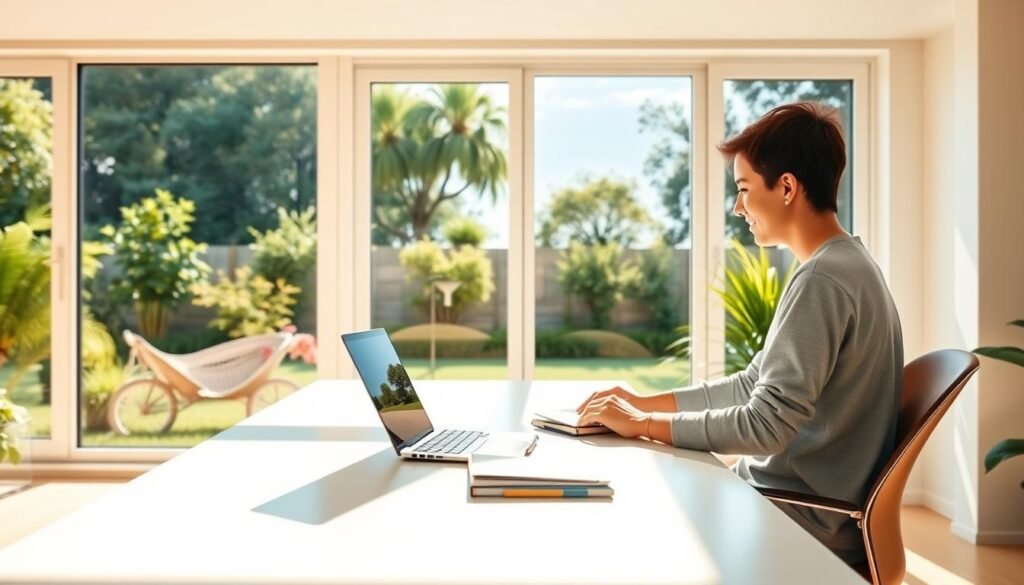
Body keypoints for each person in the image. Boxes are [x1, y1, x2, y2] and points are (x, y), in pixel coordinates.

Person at [576, 102, 903, 564]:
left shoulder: (824, 280)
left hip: (797, 519)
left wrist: (645, 427)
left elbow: (766, 425)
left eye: (745, 189)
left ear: (786, 187)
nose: (737, 206)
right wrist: (640, 404)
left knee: (630, 520)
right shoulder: (845, 264)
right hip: (785, 501)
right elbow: (754, 384)